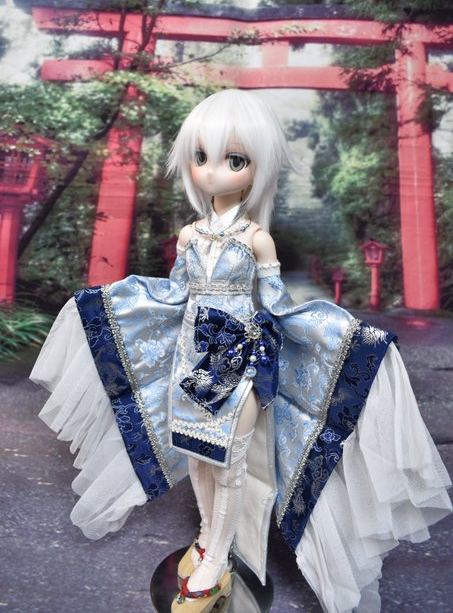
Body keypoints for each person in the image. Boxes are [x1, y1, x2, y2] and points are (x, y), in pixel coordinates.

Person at [30, 89, 452, 613]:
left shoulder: (256, 239)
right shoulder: (190, 235)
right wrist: (111, 303)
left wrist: (332, 335)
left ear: (256, 169)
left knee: (228, 464)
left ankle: (217, 558)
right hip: (191, 361)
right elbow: (175, 293)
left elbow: (276, 304)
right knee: (196, 457)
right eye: (201, 156)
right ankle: (208, 538)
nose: (213, 171)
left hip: (239, 363)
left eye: (234, 160)